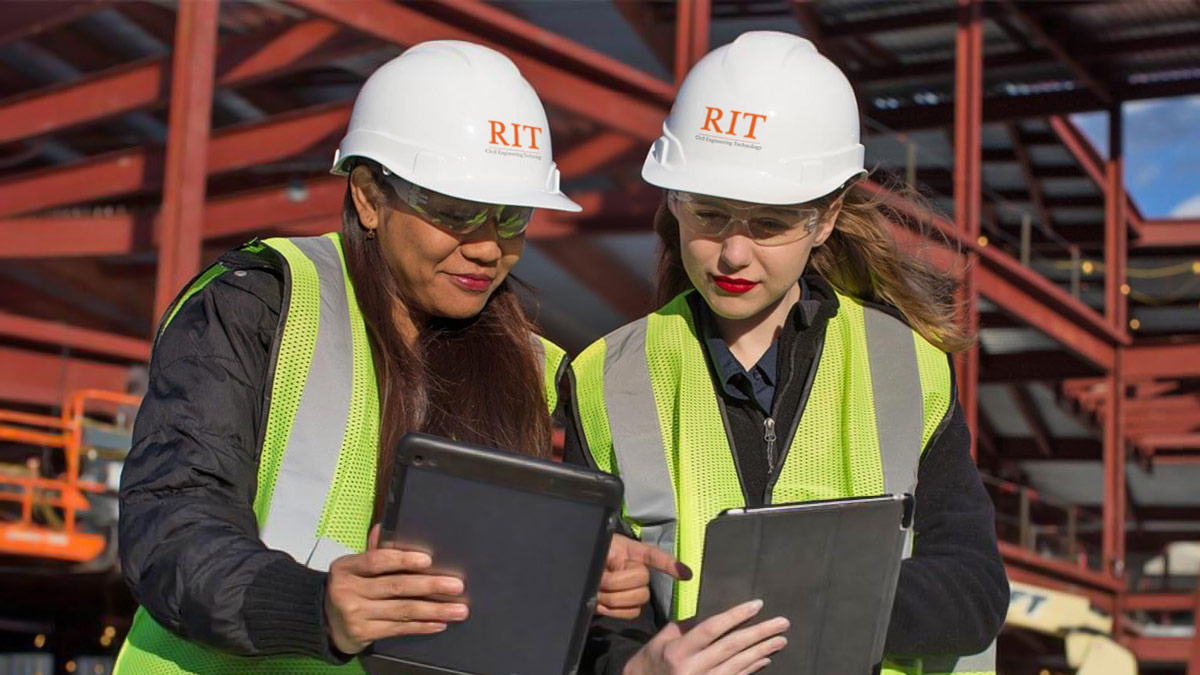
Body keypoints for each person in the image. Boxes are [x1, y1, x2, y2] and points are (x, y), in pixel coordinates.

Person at [114, 40, 679, 674]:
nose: (488, 248)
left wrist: (582, 575)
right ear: (368, 198)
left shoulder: (535, 368)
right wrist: (316, 607)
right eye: (458, 212)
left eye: (511, 217)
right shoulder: (260, 303)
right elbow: (171, 522)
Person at [563, 31, 1009, 675]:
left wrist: (790, 614)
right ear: (673, 201)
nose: (734, 253)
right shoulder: (606, 377)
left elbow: (972, 591)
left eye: (769, 224)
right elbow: (594, 626)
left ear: (825, 218)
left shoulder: (905, 367)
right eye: (710, 214)